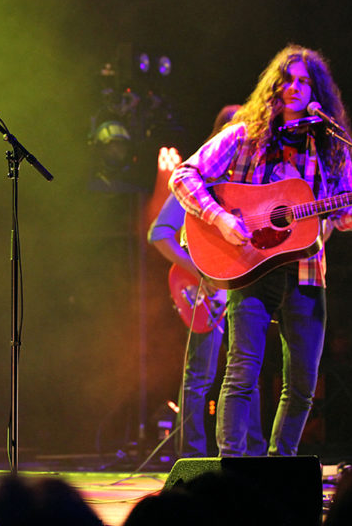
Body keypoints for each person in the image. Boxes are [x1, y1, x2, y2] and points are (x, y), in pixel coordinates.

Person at [169, 45, 352, 456]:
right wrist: (221, 219)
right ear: (275, 89)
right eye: (287, 81)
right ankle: (233, 468)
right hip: (249, 268)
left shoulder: (330, 146)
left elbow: (344, 213)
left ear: (317, 93)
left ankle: (281, 467)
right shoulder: (245, 134)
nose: (294, 88)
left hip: (308, 271)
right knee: (241, 374)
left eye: (303, 82)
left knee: (302, 383)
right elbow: (184, 174)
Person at [148, 105, 266, 457]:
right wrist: (199, 271)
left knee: (248, 374)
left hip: (240, 289)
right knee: (200, 376)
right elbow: (159, 233)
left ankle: (253, 453)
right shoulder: (200, 183)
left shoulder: (250, 186)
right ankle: (193, 457)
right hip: (207, 293)